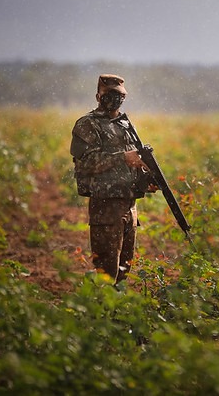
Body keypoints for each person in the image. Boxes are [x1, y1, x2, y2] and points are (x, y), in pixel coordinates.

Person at [70, 74, 156, 283]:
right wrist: (123, 158)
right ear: (98, 96)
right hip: (106, 207)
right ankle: (100, 312)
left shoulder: (125, 124)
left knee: (124, 269)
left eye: (118, 95)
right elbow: (86, 163)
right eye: (109, 94)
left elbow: (133, 160)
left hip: (129, 206)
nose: (114, 99)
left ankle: (117, 313)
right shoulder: (87, 124)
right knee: (107, 272)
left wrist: (146, 179)